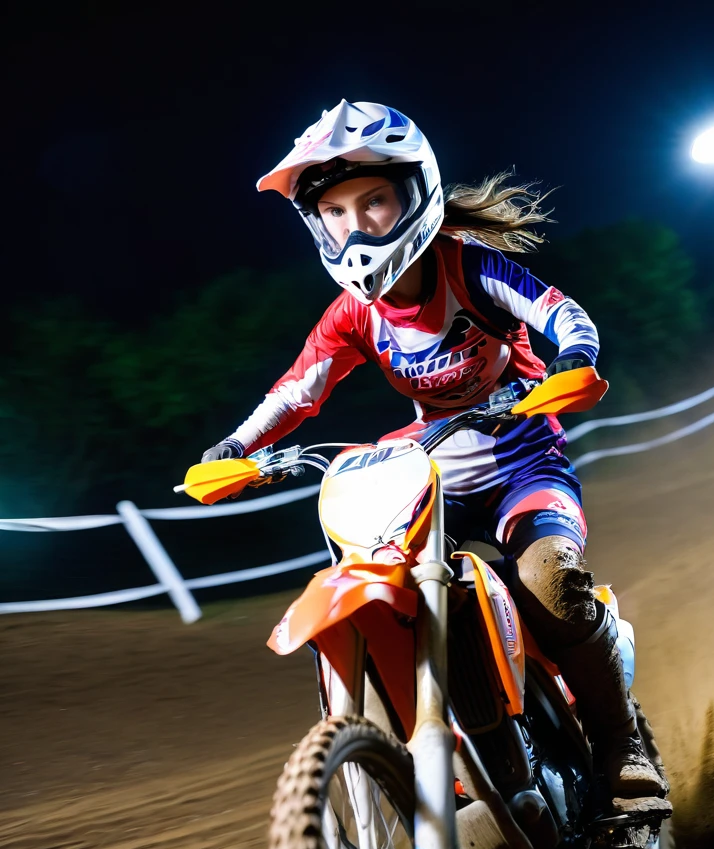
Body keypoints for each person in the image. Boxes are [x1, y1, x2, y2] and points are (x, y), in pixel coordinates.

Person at [202, 100, 663, 798]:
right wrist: (233, 448)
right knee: (391, 595)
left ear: (414, 192)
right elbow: (298, 392)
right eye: (335, 213)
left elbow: (559, 313)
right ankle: (436, 765)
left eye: (375, 201)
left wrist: (574, 359)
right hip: (430, 476)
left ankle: (621, 743)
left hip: (523, 462)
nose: (356, 228)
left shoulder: (468, 268)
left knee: (549, 584)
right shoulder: (353, 314)